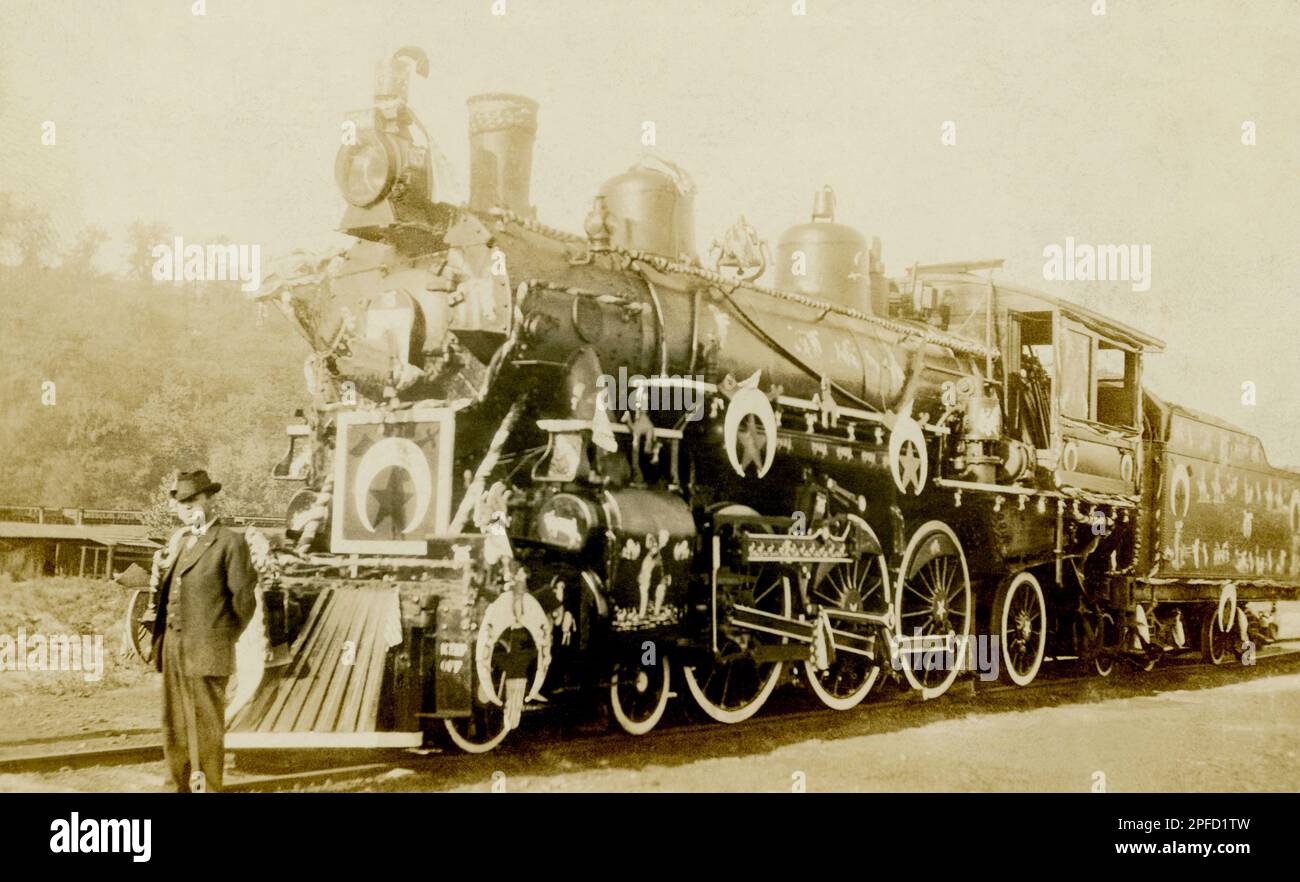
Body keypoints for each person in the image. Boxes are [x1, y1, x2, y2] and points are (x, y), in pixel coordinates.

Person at [151, 470, 256, 792]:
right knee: (174, 722)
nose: (186, 507)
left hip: (208, 646)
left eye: (193, 500)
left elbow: (244, 601)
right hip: (173, 644)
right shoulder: (181, 541)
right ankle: (175, 786)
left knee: (207, 726)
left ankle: (209, 788)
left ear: (210, 500)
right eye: (181, 502)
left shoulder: (230, 542)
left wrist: (219, 635)